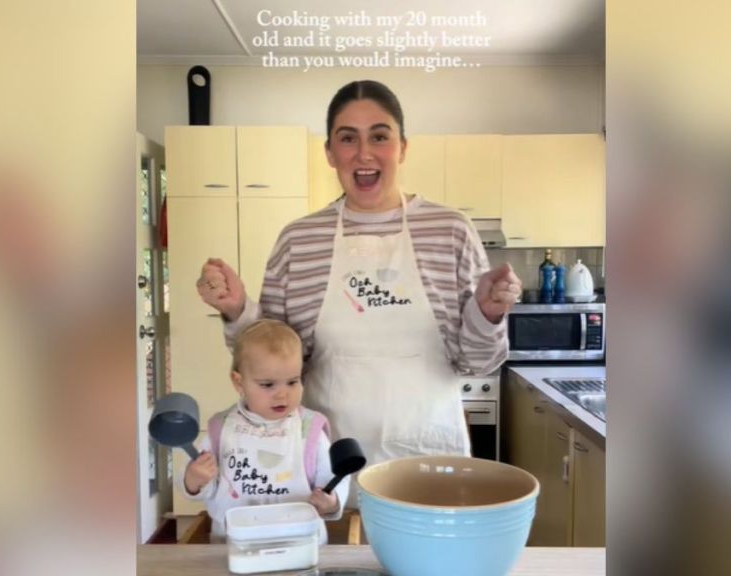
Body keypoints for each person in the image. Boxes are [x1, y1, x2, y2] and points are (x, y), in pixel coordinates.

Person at [197, 79, 521, 488]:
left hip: (428, 452)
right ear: (330, 152)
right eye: (348, 138)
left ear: (403, 147)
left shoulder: (450, 230)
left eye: (380, 136)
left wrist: (487, 314)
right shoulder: (299, 240)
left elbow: (480, 361)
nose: (364, 153)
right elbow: (270, 355)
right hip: (326, 459)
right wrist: (237, 309)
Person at [178, 319, 346, 541]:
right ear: (239, 383)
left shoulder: (309, 429)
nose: (282, 394)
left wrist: (331, 501)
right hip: (234, 542)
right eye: (268, 385)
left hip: (299, 541)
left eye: (292, 382)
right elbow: (205, 488)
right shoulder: (222, 429)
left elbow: (333, 477)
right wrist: (193, 480)